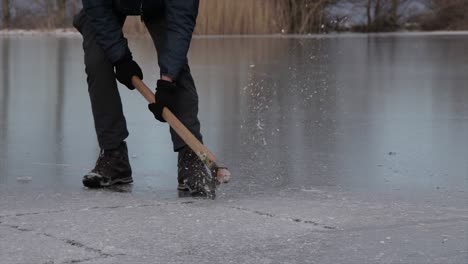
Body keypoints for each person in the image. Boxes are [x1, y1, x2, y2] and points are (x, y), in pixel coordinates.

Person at [73, 0, 212, 195]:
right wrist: (120, 58)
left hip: (161, 5)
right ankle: (114, 156)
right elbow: (95, 5)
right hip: (107, 6)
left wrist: (168, 80)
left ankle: (190, 156)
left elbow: (181, 20)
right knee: (97, 60)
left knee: (176, 65)